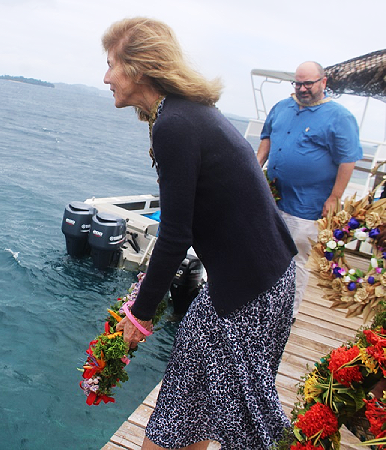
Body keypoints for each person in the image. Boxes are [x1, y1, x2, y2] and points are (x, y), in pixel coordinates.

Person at [102, 17, 298, 450]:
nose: (106, 77)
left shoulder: (176, 123)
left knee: (244, 428)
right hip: (267, 279)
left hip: (244, 292)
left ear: (137, 68)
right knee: (194, 410)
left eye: (112, 64)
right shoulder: (186, 113)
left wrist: (141, 314)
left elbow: (175, 234)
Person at [257, 61, 363, 317]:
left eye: (308, 84)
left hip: (306, 206)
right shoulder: (282, 107)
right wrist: (254, 171)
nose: (303, 89)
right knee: (264, 252)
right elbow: (267, 139)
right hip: (271, 198)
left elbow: (348, 160)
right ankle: (260, 305)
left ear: (323, 82)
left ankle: (286, 315)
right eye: (298, 83)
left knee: (295, 260)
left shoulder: (340, 117)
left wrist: (335, 197)